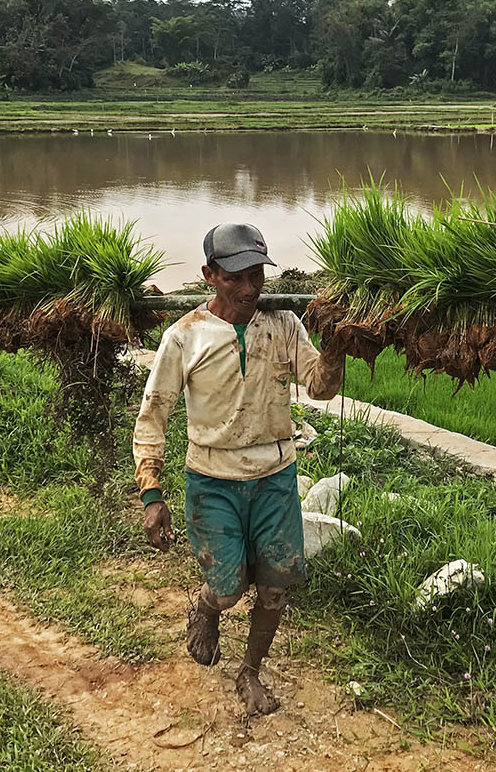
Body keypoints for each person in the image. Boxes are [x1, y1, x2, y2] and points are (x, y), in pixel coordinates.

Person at [132, 222, 344, 715]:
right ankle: (206, 608)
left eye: (257, 277)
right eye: (236, 278)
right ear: (209, 274)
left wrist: (336, 346)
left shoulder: (284, 325)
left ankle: (249, 671)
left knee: (273, 587)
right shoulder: (184, 337)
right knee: (228, 589)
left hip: (275, 475)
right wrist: (152, 493)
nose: (250, 289)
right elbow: (154, 414)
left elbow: (319, 388)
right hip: (213, 483)